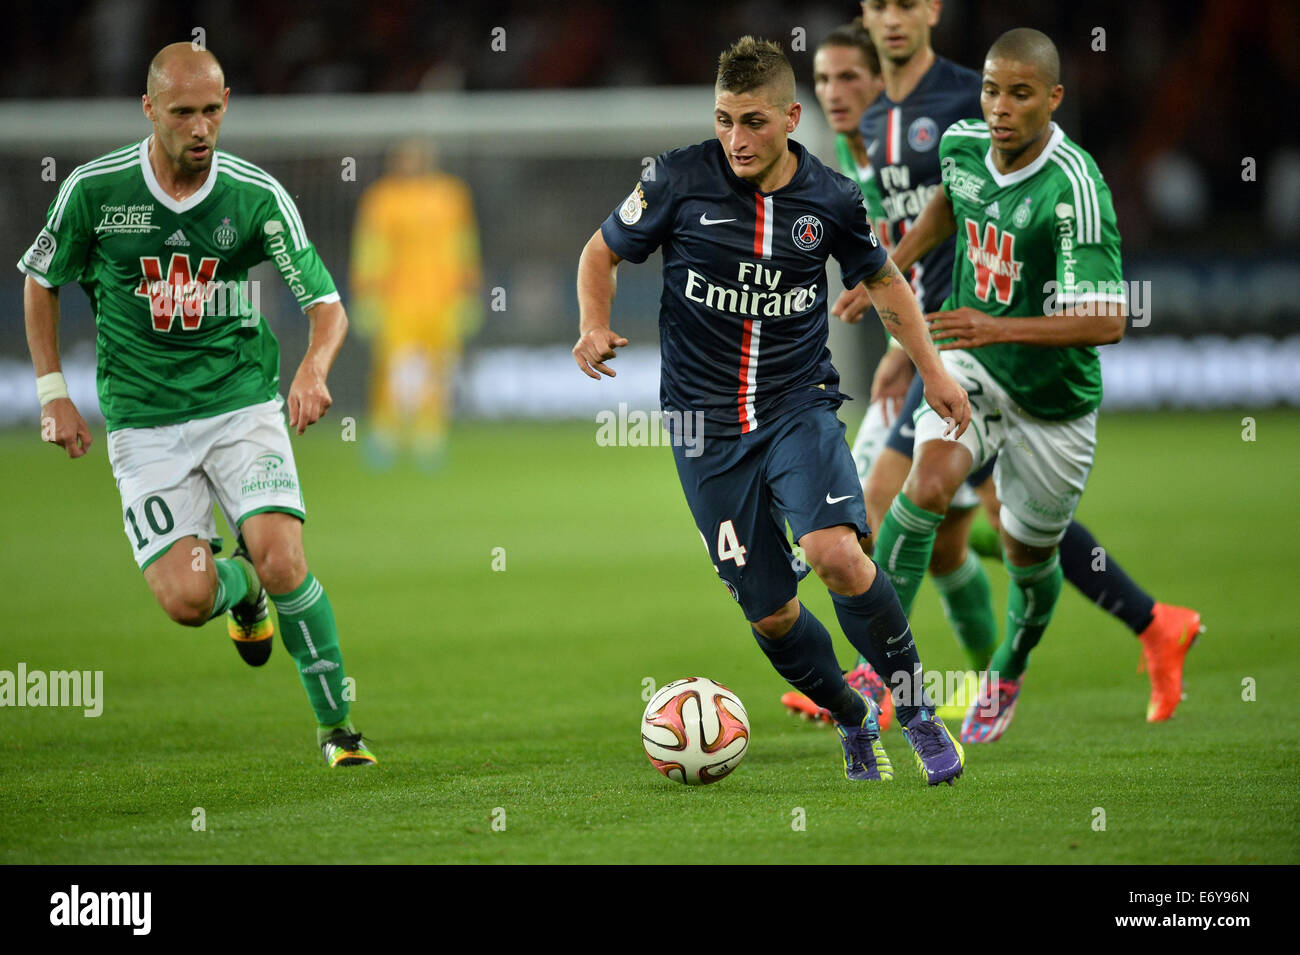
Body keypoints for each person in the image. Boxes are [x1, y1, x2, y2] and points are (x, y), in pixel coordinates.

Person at [573, 36, 971, 784]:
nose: (736, 139)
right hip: (704, 431)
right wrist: (593, 324)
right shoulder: (675, 181)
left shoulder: (832, 200)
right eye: (724, 120)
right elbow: (600, 253)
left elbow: (885, 283)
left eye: (753, 121)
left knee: (836, 553)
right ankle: (853, 720)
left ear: (791, 116)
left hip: (797, 406)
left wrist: (935, 371)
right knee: (773, 616)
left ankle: (916, 713)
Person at [840, 1, 1202, 728]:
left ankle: (1008, 667)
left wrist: (991, 321)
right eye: (992, 92)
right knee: (922, 490)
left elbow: (1108, 319)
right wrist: (889, 266)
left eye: (1020, 94)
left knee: (1029, 558)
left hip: (1054, 405)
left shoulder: (1076, 189)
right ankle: (885, 673)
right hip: (974, 368)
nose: (1000, 109)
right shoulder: (966, 142)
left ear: (1053, 98)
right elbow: (950, 203)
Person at [19, 42, 375, 768]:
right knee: (186, 599)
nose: (201, 127)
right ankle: (240, 596)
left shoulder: (254, 194)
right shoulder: (94, 191)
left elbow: (329, 306)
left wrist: (312, 367)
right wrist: (53, 392)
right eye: (183, 112)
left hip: (240, 401)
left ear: (227, 104)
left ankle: (340, 729)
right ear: (150, 110)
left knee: (282, 557)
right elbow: (40, 280)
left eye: (212, 109)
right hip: (143, 420)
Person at [350, 139, 482, 470]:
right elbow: (370, 250)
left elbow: (464, 246)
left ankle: (429, 437)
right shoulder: (382, 199)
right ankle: (386, 434)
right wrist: (367, 296)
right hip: (398, 301)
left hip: (443, 299)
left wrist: (468, 294)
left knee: (440, 370)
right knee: (395, 370)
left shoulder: (451, 196)